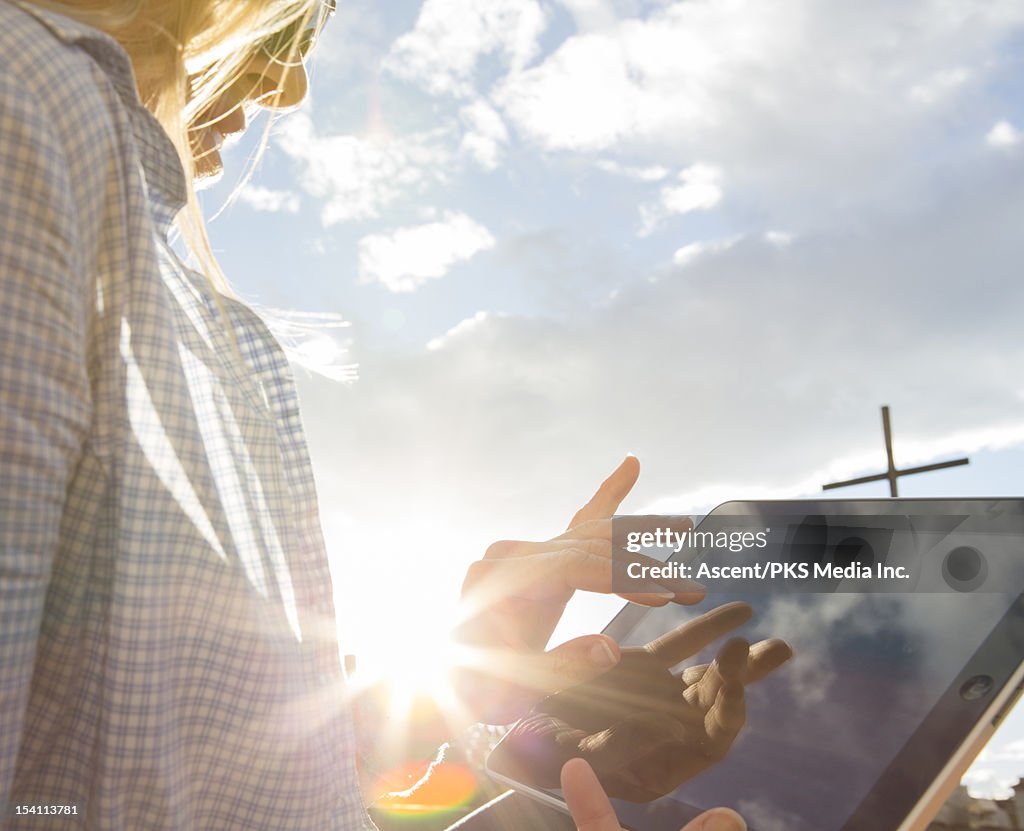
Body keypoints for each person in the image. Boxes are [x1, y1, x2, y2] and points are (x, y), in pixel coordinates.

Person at [0, 1, 779, 828]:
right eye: (285, 21)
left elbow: (132, 789)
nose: (286, 81)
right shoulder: (30, 111)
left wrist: (503, 739)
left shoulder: (93, 195)